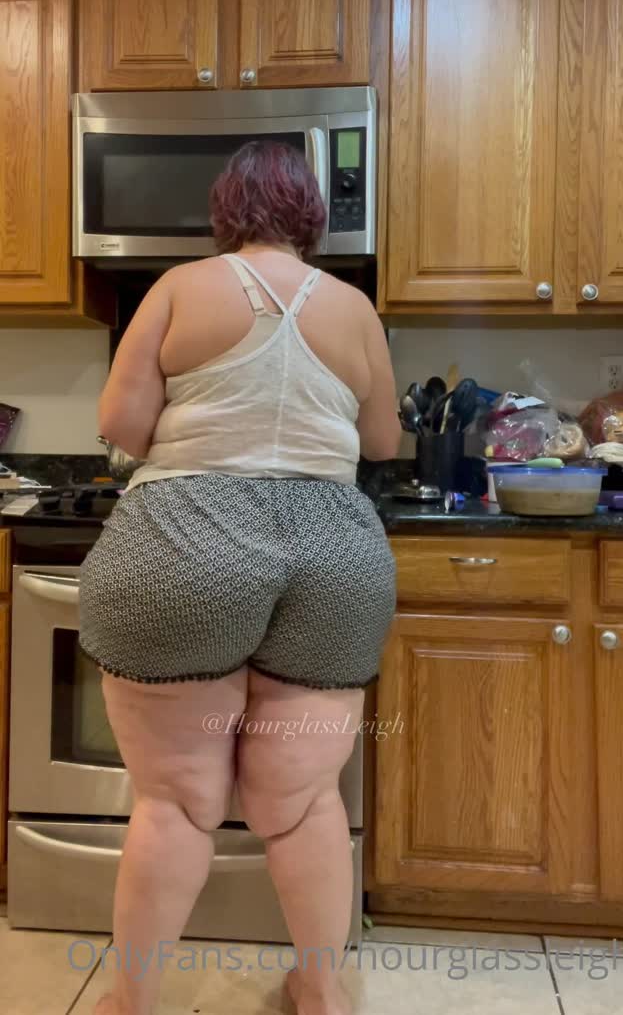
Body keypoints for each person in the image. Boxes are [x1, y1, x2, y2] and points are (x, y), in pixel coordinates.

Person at [79, 140, 400, 1015]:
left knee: (177, 803)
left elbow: (123, 424)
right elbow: (381, 441)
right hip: (333, 548)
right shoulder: (354, 307)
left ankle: (132, 1003)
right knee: (301, 800)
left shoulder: (180, 286)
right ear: (313, 217)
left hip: (186, 536)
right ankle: (322, 992)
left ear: (225, 210)